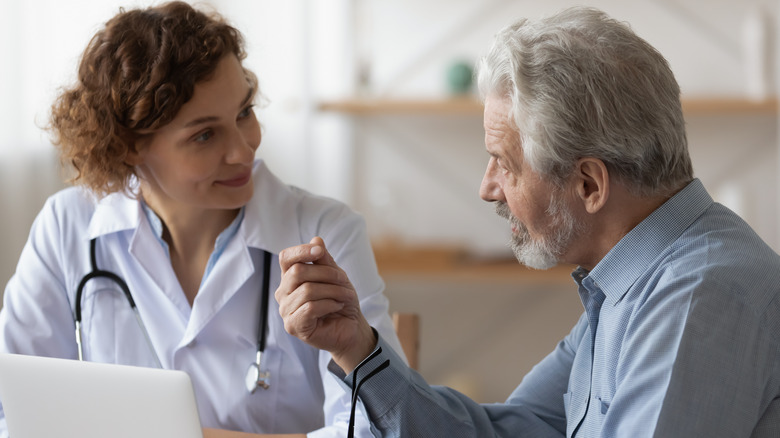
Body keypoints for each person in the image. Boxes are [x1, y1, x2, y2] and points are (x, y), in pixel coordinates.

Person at [276, 6, 780, 437]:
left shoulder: (700, 295)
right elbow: (508, 431)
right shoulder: (632, 282)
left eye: (505, 163)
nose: (487, 187)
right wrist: (358, 349)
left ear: (589, 184)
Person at [0, 2, 406, 437]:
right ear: (128, 147)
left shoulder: (325, 231)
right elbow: (15, 415)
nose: (244, 149)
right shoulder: (66, 228)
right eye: (205, 134)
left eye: (244, 113)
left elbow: (378, 429)